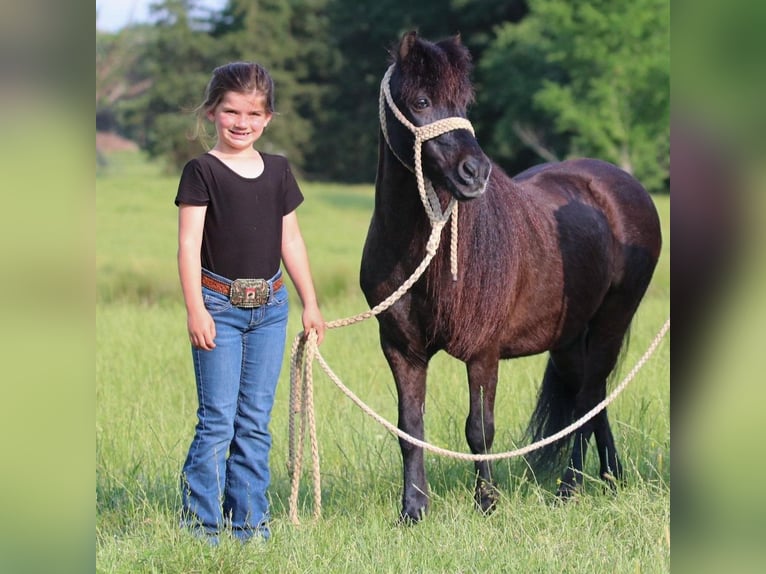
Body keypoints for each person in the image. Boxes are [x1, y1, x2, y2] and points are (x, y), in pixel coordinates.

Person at [174, 61, 325, 544]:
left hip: (272, 309)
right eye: (231, 111)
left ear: (268, 118)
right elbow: (188, 246)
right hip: (218, 306)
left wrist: (311, 302)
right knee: (217, 421)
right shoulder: (201, 171)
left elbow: (293, 241)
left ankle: (250, 527)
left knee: (255, 424)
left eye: (254, 113)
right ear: (212, 112)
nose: (242, 122)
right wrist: (196, 308)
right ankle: (202, 528)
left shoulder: (279, 170)